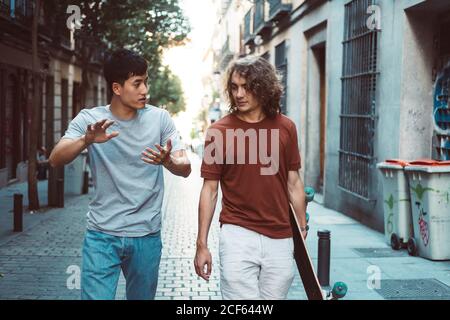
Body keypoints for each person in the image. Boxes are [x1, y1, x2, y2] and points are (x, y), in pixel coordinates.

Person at [49, 49, 191, 300]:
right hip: (102, 235)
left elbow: (185, 167)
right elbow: (55, 158)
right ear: (117, 88)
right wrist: (87, 139)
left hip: (146, 236)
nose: (145, 89)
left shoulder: (160, 119)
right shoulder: (91, 120)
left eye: (146, 81)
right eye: (137, 83)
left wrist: (168, 161)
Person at [194, 56, 307, 300]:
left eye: (247, 87)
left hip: (280, 235)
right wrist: (201, 244)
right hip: (237, 234)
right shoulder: (218, 132)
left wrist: (301, 225)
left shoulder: (286, 127)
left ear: (264, 88)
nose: (239, 94)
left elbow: (294, 181)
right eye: (234, 87)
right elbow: (209, 190)